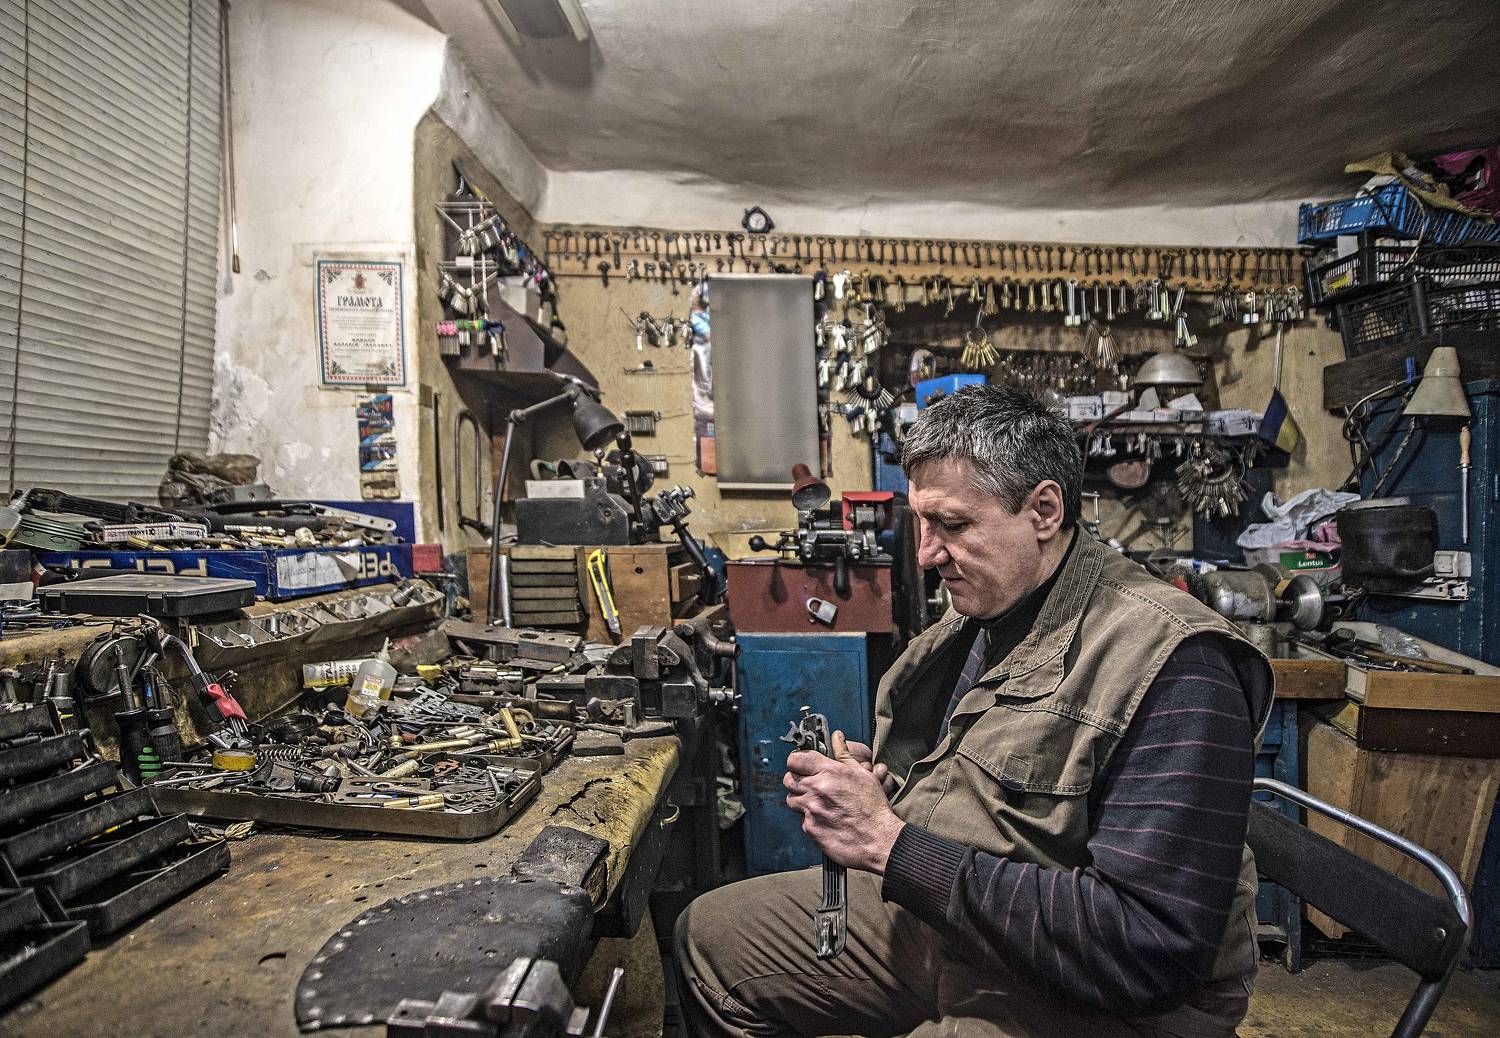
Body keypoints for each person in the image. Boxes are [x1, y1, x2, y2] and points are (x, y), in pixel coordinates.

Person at [676, 385, 1273, 1038]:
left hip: (1098, 990)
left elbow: (1151, 948)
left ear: (1043, 510)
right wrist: (881, 796)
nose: (927, 554)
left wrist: (890, 843)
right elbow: (992, 795)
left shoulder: (1176, 666)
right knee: (710, 939)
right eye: (922, 523)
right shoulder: (986, 616)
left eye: (953, 526)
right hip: (965, 923)